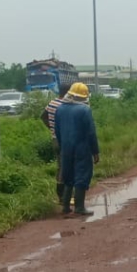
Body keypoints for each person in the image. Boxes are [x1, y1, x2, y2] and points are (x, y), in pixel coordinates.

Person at [54, 82, 100, 216]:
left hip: (66, 147)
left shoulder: (60, 109)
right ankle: (79, 207)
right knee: (82, 175)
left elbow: (57, 131)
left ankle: (66, 206)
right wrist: (95, 151)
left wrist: (62, 146)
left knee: (68, 175)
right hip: (82, 148)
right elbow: (91, 133)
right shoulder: (85, 110)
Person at [41, 83, 71, 203]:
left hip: (55, 139)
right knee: (67, 167)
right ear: (68, 92)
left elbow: (43, 117)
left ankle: (61, 195)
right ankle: (64, 196)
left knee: (60, 166)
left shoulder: (52, 103)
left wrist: (52, 128)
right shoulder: (65, 105)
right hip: (65, 139)